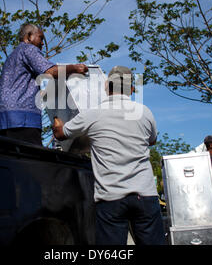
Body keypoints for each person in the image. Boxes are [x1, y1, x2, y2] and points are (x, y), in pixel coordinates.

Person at [52, 66, 165, 245]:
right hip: (145, 195)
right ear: (132, 89)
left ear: (106, 86)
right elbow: (152, 141)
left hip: (111, 198)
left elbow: (60, 134)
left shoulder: (93, 114)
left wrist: (57, 118)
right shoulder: (145, 112)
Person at [0, 23, 88, 146]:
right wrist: (75, 68)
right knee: (30, 159)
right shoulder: (28, 49)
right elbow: (50, 71)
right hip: (21, 116)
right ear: (29, 36)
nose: (42, 43)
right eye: (41, 38)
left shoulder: (12, 56)